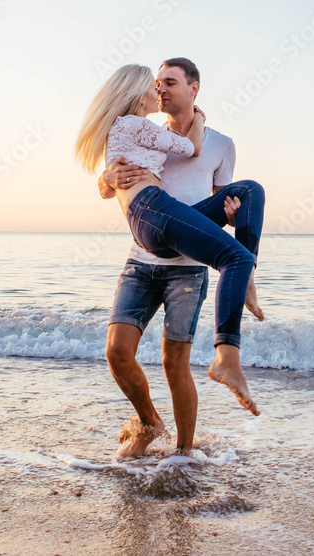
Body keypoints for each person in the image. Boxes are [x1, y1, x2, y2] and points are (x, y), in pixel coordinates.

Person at [73, 57, 265, 457]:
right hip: (143, 256)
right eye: (156, 83)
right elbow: (113, 185)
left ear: (193, 89)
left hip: (186, 265)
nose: (160, 89)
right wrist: (105, 179)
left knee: (249, 195)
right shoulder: (146, 130)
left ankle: (184, 453)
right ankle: (149, 421)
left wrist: (231, 216)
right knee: (117, 351)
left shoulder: (221, 144)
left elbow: (225, 199)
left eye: (170, 83)